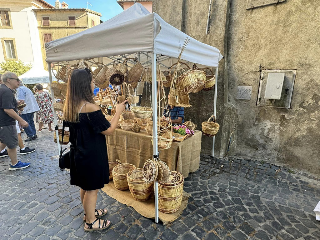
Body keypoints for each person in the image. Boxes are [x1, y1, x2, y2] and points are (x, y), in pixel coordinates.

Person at [63, 68, 126, 232]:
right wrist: (118, 112)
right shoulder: (91, 107)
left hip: (77, 153)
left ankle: (88, 213)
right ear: (85, 85)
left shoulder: (69, 106)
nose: (93, 84)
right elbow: (109, 130)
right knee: (92, 189)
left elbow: (65, 134)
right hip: (91, 154)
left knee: (85, 186)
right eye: (92, 82)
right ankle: (90, 222)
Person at [0, 72, 31, 170]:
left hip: (3, 122)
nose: (19, 81)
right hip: (6, 122)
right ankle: (14, 164)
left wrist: (16, 103)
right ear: (9, 80)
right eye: (16, 79)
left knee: (5, 141)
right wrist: (21, 120)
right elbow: (7, 109)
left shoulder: (3, 89)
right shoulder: (6, 91)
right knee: (12, 144)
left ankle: (15, 163)